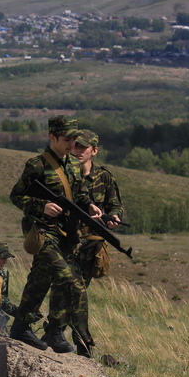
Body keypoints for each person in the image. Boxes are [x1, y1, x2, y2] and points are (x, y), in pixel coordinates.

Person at [9, 115, 102, 352]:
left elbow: (79, 194)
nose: (72, 144)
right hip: (43, 231)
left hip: (65, 232)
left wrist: (89, 205)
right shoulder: (37, 165)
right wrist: (41, 206)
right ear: (52, 137)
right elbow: (16, 196)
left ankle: (25, 328)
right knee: (68, 280)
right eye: (66, 139)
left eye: (74, 139)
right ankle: (82, 342)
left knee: (40, 280)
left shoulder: (72, 163)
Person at [69, 129, 124, 357]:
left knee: (77, 291)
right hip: (64, 240)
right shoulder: (64, 174)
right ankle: (71, 340)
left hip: (90, 246)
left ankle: (80, 344)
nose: (78, 151)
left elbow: (115, 206)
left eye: (83, 147)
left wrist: (114, 218)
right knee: (69, 290)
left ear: (94, 150)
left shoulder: (104, 177)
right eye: (75, 146)